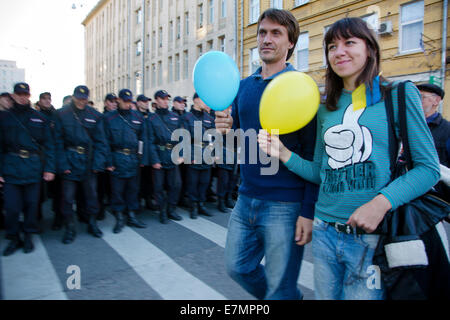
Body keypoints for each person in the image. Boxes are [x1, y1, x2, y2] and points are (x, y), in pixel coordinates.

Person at [257, 17, 441, 300]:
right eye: (331, 46)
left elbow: (428, 169)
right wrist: (284, 154)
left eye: (349, 42)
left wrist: (381, 203)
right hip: (324, 233)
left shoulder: (398, 94)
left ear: (370, 49)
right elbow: (322, 172)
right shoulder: (324, 106)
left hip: (371, 239)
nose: (339, 51)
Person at [215, 8, 318, 300]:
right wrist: (226, 131)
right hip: (246, 198)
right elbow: (242, 145)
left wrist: (307, 212)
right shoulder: (243, 87)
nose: (267, 39)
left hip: (285, 205)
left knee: (280, 287)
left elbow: (313, 154)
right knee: (237, 267)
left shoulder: (302, 88)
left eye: (276, 33)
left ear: (290, 43)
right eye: (262, 32)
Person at [0, 83, 56, 256]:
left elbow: (49, 146)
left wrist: (49, 169)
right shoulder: (4, 118)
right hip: (11, 166)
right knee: (12, 207)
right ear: (13, 96)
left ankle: (28, 235)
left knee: (32, 205)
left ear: (29, 96)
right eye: (19, 94)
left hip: (33, 167)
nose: (22, 97)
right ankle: (14, 237)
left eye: (25, 94)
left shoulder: (39, 118)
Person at [55, 85, 108, 244]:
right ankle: (69, 227)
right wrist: (63, 164)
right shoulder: (61, 114)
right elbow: (57, 142)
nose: (81, 101)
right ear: (73, 97)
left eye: (84, 98)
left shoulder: (95, 115)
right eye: (79, 97)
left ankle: (92, 223)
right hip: (69, 161)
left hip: (88, 161)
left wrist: (98, 164)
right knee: (68, 198)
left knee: (91, 195)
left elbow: (101, 142)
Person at [103, 89, 148, 233]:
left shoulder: (137, 116)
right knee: (117, 191)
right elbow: (105, 142)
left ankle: (132, 215)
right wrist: (109, 162)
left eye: (130, 101)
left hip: (133, 159)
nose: (128, 104)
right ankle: (119, 217)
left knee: (133, 189)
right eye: (125, 101)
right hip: (117, 157)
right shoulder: (109, 118)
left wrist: (141, 157)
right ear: (119, 101)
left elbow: (143, 138)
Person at [147, 90, 184, 224]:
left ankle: (171, 209)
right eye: (162, 99)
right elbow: (149, 141)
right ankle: (162, 211)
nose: (165, 101)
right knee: (159, 187)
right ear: (156, 100)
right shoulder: (151, 118)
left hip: (173, 155)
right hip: (159, 155)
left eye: (167, 99)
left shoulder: (175, 117)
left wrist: (181, 155)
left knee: (176, 185)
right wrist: (155, 160)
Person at [183, 93, 215, 219]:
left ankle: (201, 204)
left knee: (204, 182)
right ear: (196, 100)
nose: (206, 102)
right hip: (194, 154)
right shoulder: (187, 117)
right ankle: (193, 206)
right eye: (204, 99)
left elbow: (213, 138)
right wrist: (189, 157)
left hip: (206, 154)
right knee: (193, 183)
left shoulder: (208, 118)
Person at [416, 83, 450, 201]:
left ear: (436, 100)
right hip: (408, 196)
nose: (415, 100)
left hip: (436, 200)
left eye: (421, 97)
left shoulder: (447, 130)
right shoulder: (407, 127)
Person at [36, 92, 64, 230]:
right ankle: (37, 217)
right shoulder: (34, 115)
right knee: (38, 191)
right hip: (39, 158)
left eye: (49, 99)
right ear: (39, 101)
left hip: (54, 156)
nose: (47, 101)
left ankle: (58, 217)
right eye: (44, 99)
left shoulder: (56, 115)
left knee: (58, 191)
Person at [97, 93, 118, 220]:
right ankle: (100, 210)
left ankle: (114, 206)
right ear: (105, 103)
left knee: (114, 186)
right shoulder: (101, 117)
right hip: (103, 157)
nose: (114, 103)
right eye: (111, 101)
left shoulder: (117, 117)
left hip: (115, 157)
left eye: (115, 101)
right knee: (101, 186)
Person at [135, 94, 158, 211]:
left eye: (147, 101)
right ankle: (138, 201)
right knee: (139, 180)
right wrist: (140, 156)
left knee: (150, 180)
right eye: (143, 101)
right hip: (140, 153)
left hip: (151, 152)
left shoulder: (151, 116)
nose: (146, 103)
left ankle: (149, 200)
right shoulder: (135, 116)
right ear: (138, 103)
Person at [172, 96, 190, 208]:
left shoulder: (186, 116)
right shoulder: (172, 116)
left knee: (185, 178)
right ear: (174, 103)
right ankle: (175, 200)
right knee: (175, 181)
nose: (182, 104)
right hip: (175, 151)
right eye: (179, 102)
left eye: (183, 102)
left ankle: (182, 198)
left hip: (185, 151)